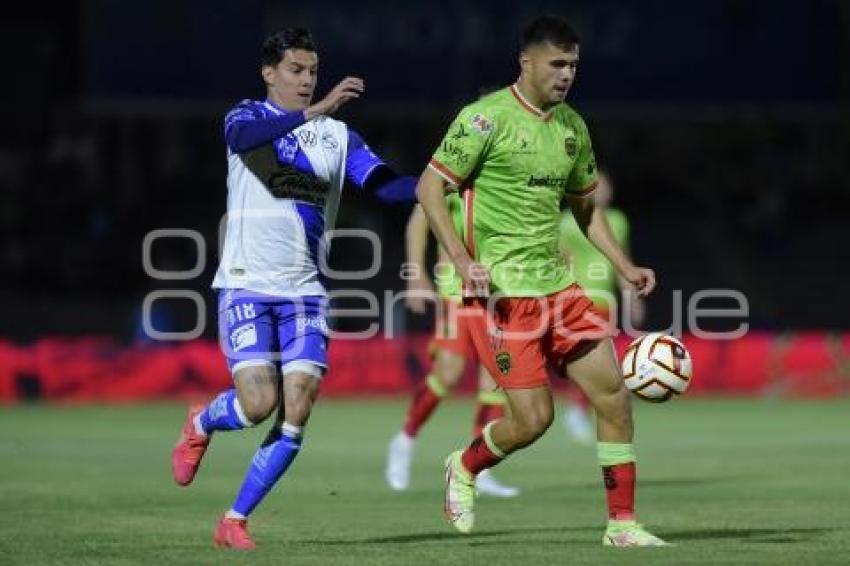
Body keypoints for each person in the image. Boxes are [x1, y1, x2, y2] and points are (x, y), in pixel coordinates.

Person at [415, 15, 667, 546]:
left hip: (560, 288)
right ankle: (463, 464)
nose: (567, 74)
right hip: (502, 296)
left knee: (614, 399)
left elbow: (586, 208)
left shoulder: (573, 128)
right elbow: (429, 189)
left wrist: (625, 267)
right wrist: (460, 260)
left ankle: (622, 525)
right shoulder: (484, 120)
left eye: (573, 64)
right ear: (526, 62)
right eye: (557, 63)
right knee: (533, 420)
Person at [170, 28, 416, 550]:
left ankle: (234, 520)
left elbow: (386, 187)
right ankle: (203, 419)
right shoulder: (246, 118)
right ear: (269, 73)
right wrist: (321, 107)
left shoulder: (339, 137)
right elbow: (241, 143)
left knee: (298, 407)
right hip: (246, 285)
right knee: (257, 403)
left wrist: (443, 179)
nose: (306, 81)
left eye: (312, 72)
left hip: (305, 290)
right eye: (296, 71)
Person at [385, 201, 519, 498]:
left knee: (494, 381)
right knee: (448, 372)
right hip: (456, 291)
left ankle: (480, 470)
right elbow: (420, 217)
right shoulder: (454, 168)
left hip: (498, 292)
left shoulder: (501, 176)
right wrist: (416, 274)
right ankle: (405, 438)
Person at [557, 170, 646, 444]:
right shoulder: (568, 222)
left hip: (606, 301)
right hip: (577, 299)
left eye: (606, 186)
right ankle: (576, 411)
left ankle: (580, 411)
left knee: (605, 364)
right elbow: (561, 261)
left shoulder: (618, 221)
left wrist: (632, 297)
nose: (604, 191)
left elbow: (622, 260)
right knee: (596, 363)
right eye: (598, 186)